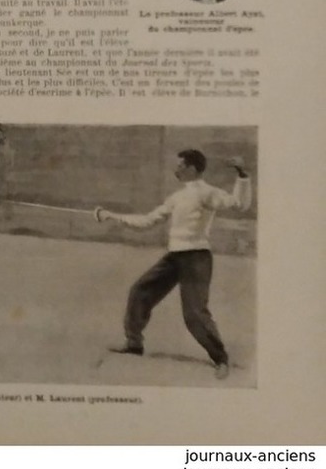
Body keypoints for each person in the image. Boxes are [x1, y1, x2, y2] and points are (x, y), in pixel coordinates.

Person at [95, 149, 252, 379]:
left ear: (191, 169)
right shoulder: (177, 198)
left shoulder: (207, 193)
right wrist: (112, 216)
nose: (175, 169)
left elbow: (239, 204)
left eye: (180, 166)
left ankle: (220, 359)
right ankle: (134, 344)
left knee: (194, 314)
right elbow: (147, 221)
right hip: (174, 257)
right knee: (140, 292)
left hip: (197, 258)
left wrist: (242, 174)